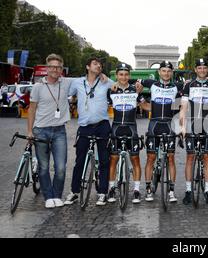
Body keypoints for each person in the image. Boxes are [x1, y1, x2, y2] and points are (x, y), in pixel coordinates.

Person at [64, 57, 114, 206]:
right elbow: (65, 92)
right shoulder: (77, 83)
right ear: (87, 66)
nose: (98, 66)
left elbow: (120, 86)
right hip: (84, 126)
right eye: (95, 64)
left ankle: (102, 193)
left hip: (102, 125)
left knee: (105, 161)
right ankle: (74, 191)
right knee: (79, 161)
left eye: (100, 64)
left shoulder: (106, 82)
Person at [27, 54, 71, 209]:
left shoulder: (66, 83)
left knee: (60, 167)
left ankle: (57, 196)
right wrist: (30, 131)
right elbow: (32, 110)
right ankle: (48, 196)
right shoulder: (38, 86)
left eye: (58, 67)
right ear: (47, 68)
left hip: (60, 131)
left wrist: (103, 76)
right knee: (44, 167)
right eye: (52, 66)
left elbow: (87, 79)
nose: (55, 70)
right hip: (41, 131)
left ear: (61, 70)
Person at [139, 61, 183, 203]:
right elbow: (131, 81)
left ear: (172, 72)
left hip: (170, 124)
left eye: (168, 71)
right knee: (151, 158)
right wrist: (141, 100)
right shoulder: (151, 83)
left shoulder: (177, 86)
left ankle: (171, 190)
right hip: (155, 124)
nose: (166, 73)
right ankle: (148, 189)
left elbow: (194, 85)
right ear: (159, 72)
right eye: (163, 71)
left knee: (170, 157)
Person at [180, 58, 208, 205]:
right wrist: (182, 126)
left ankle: (207, 191)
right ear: (195, 69)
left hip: (207, 125)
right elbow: (183, 107)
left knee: (207, 158)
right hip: (192, 124)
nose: (202, 70)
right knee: (190, 158)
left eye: (204, 68)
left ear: (207, 69)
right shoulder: (188, 85)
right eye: (199, 68)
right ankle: (188, 190)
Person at [107, 63, 145, 204]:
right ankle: (111, 188)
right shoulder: (111, 90)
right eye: (121, 74)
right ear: (117, 75)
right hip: (116, 127)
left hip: (131, 128)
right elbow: (102, 105)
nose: (123, 77)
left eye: (126, 74)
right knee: (113, 159)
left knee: (135, 160)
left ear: (129, 76)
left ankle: (136, 190)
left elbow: (145, 105)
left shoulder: (135, 90)